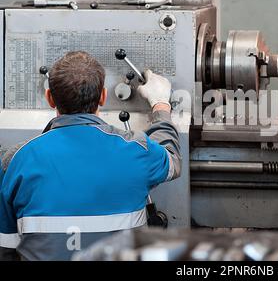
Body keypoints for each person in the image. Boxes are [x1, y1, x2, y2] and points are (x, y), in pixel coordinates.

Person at [0, 51, 181, 260]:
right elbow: (172, 160)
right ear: (103, 96)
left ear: (50, 98)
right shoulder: (136, 150)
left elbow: (6, 248)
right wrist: (160, 105)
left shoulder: (14, 162)